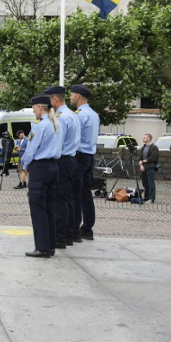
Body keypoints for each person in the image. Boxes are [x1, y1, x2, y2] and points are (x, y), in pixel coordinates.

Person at [20, 95, 62, 258]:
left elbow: (31, 149)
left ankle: (42, 247)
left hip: (40, 167)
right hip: (53, 166)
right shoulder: (56, 124)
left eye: (34, 108)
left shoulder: (39, 126)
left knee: (38, 209)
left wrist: (25, 165)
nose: (33, 111)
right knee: (50, 208)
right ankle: (50, 246)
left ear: (39, 107)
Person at [45, 86, 79, 249]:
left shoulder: (61, 117)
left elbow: (57, 141)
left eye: (48, 100)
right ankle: (69, 234)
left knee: (59, 200)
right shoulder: (71, 114)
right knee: (68, 199)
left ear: (54, 100)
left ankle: (60, 237)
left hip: (63, 161)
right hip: (72, 159)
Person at [71, 84, 100, 241]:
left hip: (80, 156)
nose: (70, 97)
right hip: (89, 156)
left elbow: (73, 137)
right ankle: (87, 228)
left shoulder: (80, 115)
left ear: (78, 97)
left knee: (76, 193)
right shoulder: (94, 114)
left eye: (72, 95)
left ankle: (75, 229)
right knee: (85, 194)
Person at [138, 133, 160, 204]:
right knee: (145, 183)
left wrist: (143, 161)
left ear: (149, 139)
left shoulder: (154, 147)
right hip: (143, 167)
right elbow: (140, 157)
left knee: (151, 183)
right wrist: (141, 165)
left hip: (150, 167)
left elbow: (152, 157)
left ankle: (151, 198)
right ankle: (146, 197)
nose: (143, 138)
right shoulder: (143, 147)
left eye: (144, 137)